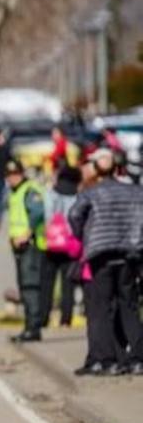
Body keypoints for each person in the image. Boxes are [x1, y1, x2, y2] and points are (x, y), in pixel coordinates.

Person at [68, 150, 143, 376]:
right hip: (129, 252)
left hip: (100, 252)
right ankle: (138, 357)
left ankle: (106, 359)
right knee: (129, 305)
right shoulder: (134, 191)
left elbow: (74, 215)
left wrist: (84, 234)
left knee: (101, 307)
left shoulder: (91, 193)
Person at [5, 160, 47, 343]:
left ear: (21, 174)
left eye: (16, 174)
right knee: (24, 285)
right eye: (10, 175)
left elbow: (38, 212)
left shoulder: (29, 190)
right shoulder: (15, 192)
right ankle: (29, 326)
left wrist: (27, 233)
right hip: (19, 246)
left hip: (30, 244)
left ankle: (33, 328)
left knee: (30, 286)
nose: (13, 178)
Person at [38, 166, 82, 329]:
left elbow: (47, 216)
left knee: (46, 284)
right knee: (68, 284)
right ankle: (66, 319)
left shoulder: (50, 193)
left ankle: (43, 318)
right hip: (70, 246)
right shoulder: (78, 196)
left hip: (51, 245)